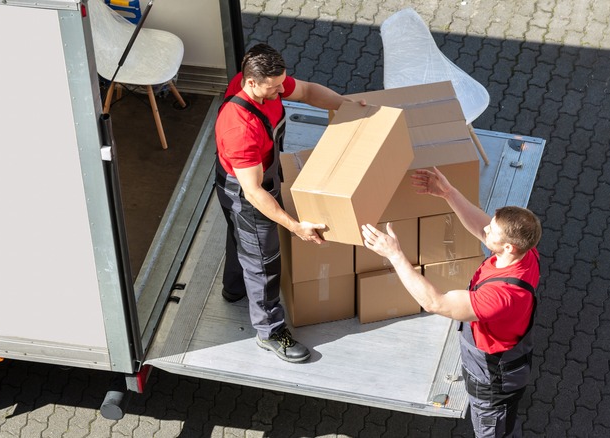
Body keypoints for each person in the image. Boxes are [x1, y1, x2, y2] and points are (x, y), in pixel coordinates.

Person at [361, 167, 541, 437]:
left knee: (493, 429)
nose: (485, 229)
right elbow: (481, 227)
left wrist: (395, 255)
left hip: (493, 379)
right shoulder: (525, 253)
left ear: (508, 247)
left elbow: (435, 302)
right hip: (499, 359)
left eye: (492, 231)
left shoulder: (501, 296)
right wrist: (448, 193)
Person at [214, 43, 361, 363]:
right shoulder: (240, 127)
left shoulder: (262, 81)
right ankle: (270, 331)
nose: (282, 90)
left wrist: (346, 105)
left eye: (282, 83)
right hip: (247, 191)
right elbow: (253, 193)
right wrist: (295, 226)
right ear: (250, 83)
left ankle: (233, 289)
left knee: (239, 238)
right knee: (264, 261)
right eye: (275, 87)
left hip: (249, 176)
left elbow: (306, 91)